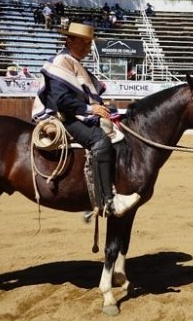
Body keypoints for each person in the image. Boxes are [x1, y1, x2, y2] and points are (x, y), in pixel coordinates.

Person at [31, 23, 140, 217]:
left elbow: (82, 95)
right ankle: (108, 200)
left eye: (89, 44)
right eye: (82, 43)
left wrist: (101, 107)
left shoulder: (72, 61)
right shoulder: (60, 61)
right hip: (60, 116)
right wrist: (91, 108)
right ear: (68, 40)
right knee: (100, 141)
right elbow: (61, 100)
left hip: (73, 113)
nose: (87, 48)